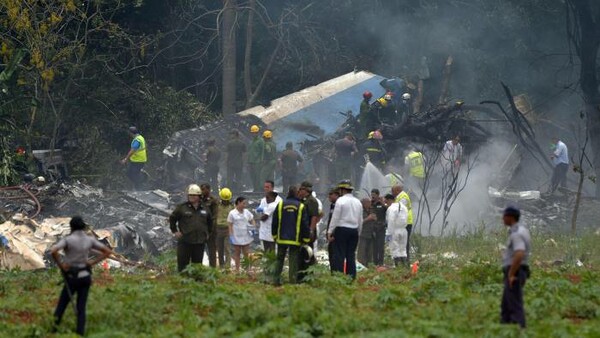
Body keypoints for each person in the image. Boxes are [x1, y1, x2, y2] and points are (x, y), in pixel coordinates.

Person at [50, 216, 112, 336]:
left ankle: (53, 330)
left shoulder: (68, 239)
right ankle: (80, 332)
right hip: (85, 276)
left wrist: (61, 265)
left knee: (62, 304)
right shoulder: (89, 239)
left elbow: (54, 251)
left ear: (71, 227)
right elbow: (107, 252)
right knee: (81, 307)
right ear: (83, 227)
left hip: (72, 277)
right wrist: (91, 263)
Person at [271, 186, 310, 285]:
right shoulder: (301, 206)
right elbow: (304, 224)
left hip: (281, 239)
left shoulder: (280, 205)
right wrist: (306, 238)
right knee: (293, 261)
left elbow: (274, 222)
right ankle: (292, 282)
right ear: (296, 194)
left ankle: (275, 281)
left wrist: (275, 235)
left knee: (279, 260)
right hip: (295, 239)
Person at [169, 184, 213, 272]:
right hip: (185, 241)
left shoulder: (205, 208)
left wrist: (207, 233)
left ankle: (196, 284)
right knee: (182, 266)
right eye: (190, 195)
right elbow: (172, 218)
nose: (191, 197)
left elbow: (210, 222)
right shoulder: (182, 208)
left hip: (199, 242)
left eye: (194, 195)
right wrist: (175, 231)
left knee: (197, 266)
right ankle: (183, 283)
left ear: (199, 196)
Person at [500, 206, 531, 328]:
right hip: (519, 269)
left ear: (510, 217)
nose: (502, 218)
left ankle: (519, 328)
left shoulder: (516, 234)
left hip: (516, 270)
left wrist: (511, 274)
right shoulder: (523, 230)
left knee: (514, 303)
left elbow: (519, 253)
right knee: (506, 304)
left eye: (504, 216)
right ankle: (505, 327)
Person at [327, 180, 363, 279]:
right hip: (354, 231)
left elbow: (335, 218)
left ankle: (339, 277)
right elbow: (360, 219)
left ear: (342, 190)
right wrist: (358, 232)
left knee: (340, 255)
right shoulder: (358, 202)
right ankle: (351, 278)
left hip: (341, 230)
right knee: (351, 255)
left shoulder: (340, 201)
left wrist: (330, 231)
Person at [227, 196, 255, 272]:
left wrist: (253, 228)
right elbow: (230, 224)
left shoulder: (247, 212)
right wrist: (231, 235)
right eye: (243, 203)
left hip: (246, 235)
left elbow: (252, 219)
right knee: (237, 253)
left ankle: (248, 269)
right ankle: (237, 270)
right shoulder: (232, 213)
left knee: (246, 253)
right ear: (238, 203)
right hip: (236, 236)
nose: (245, 205)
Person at [385, 194, 409, 266]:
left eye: (386, 202)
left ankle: (397, 267)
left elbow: (391, 221)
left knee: (395, 249)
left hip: (394, 230)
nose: (386, 204)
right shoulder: (404, 207)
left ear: (390, 200)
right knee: (403, 249)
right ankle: (404, 266)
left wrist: (388, 234)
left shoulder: (391, 208)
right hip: (404, 230)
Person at [392, 184, 413, 264]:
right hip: (402, 223)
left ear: (397, 190)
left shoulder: (403, 197)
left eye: (393, 191)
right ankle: (402, 262)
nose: (392, 193)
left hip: (406, 223)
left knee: (404, 243)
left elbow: (400, 210)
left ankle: (405, 262)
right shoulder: (399, 197)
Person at [201, 183, 219, 268]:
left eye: (203, 189)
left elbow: (215, 216)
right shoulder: (199, 200)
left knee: (212, 250)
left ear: (208, 190)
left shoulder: (213, 201)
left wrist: (211, 229)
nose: (202, 191)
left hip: (210, 229)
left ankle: (213, 268)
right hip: (200, 228)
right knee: (199, 249)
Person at [216, 188, 234, 268]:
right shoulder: (217, 206)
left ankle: (227, 266)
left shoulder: (232, 207)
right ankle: (221, 265)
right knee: (220, 249)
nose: (225, 201)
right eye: (224, 199)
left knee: (227, 249)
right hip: (218, 229)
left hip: (228, 230)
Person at [370, 189, 387, 266]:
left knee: (380, 246)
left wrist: (383, 203)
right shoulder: (371, 204)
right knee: (374, 246)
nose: (373, 196)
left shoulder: (382, 203)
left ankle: (381, 262)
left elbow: (388, 210)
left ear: (378, 195)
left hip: (381, 227)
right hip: (374, 227)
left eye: (374, 194)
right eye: (372, 194)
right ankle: (375, 262)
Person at [357, 198, 376, 266]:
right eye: (368, 203)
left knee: (370, 252)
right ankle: (361, 265)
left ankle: (369, 265)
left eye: (370, 202)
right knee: (362, 251)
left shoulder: (371, 210)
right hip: (363, 234)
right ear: (364, 203)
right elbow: (358, 222)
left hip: (371, 234)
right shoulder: (360, 211)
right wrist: (368, 218)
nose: (370, 204)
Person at [325, 188, 340, 270]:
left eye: (331, 194)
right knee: (331, 254)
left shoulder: (339, 205)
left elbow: (338, 221)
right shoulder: (332, 205)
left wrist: (334, 234)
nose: (329, 196)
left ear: (337, 195)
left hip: (335, 235)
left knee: (335, 255)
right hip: (330, 234)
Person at [248, 125, 264, 192]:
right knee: (253, 176)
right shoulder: (251, 142)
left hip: (258, 162)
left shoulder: (261, 141)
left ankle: (258, 189)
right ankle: (255, 189)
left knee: (258, 176)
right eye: (252, 133)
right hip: (251, 162)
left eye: (255, 132)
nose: (254, 134)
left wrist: (261, 161)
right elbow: (249, 152)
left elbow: (262, 152)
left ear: (257, 132)